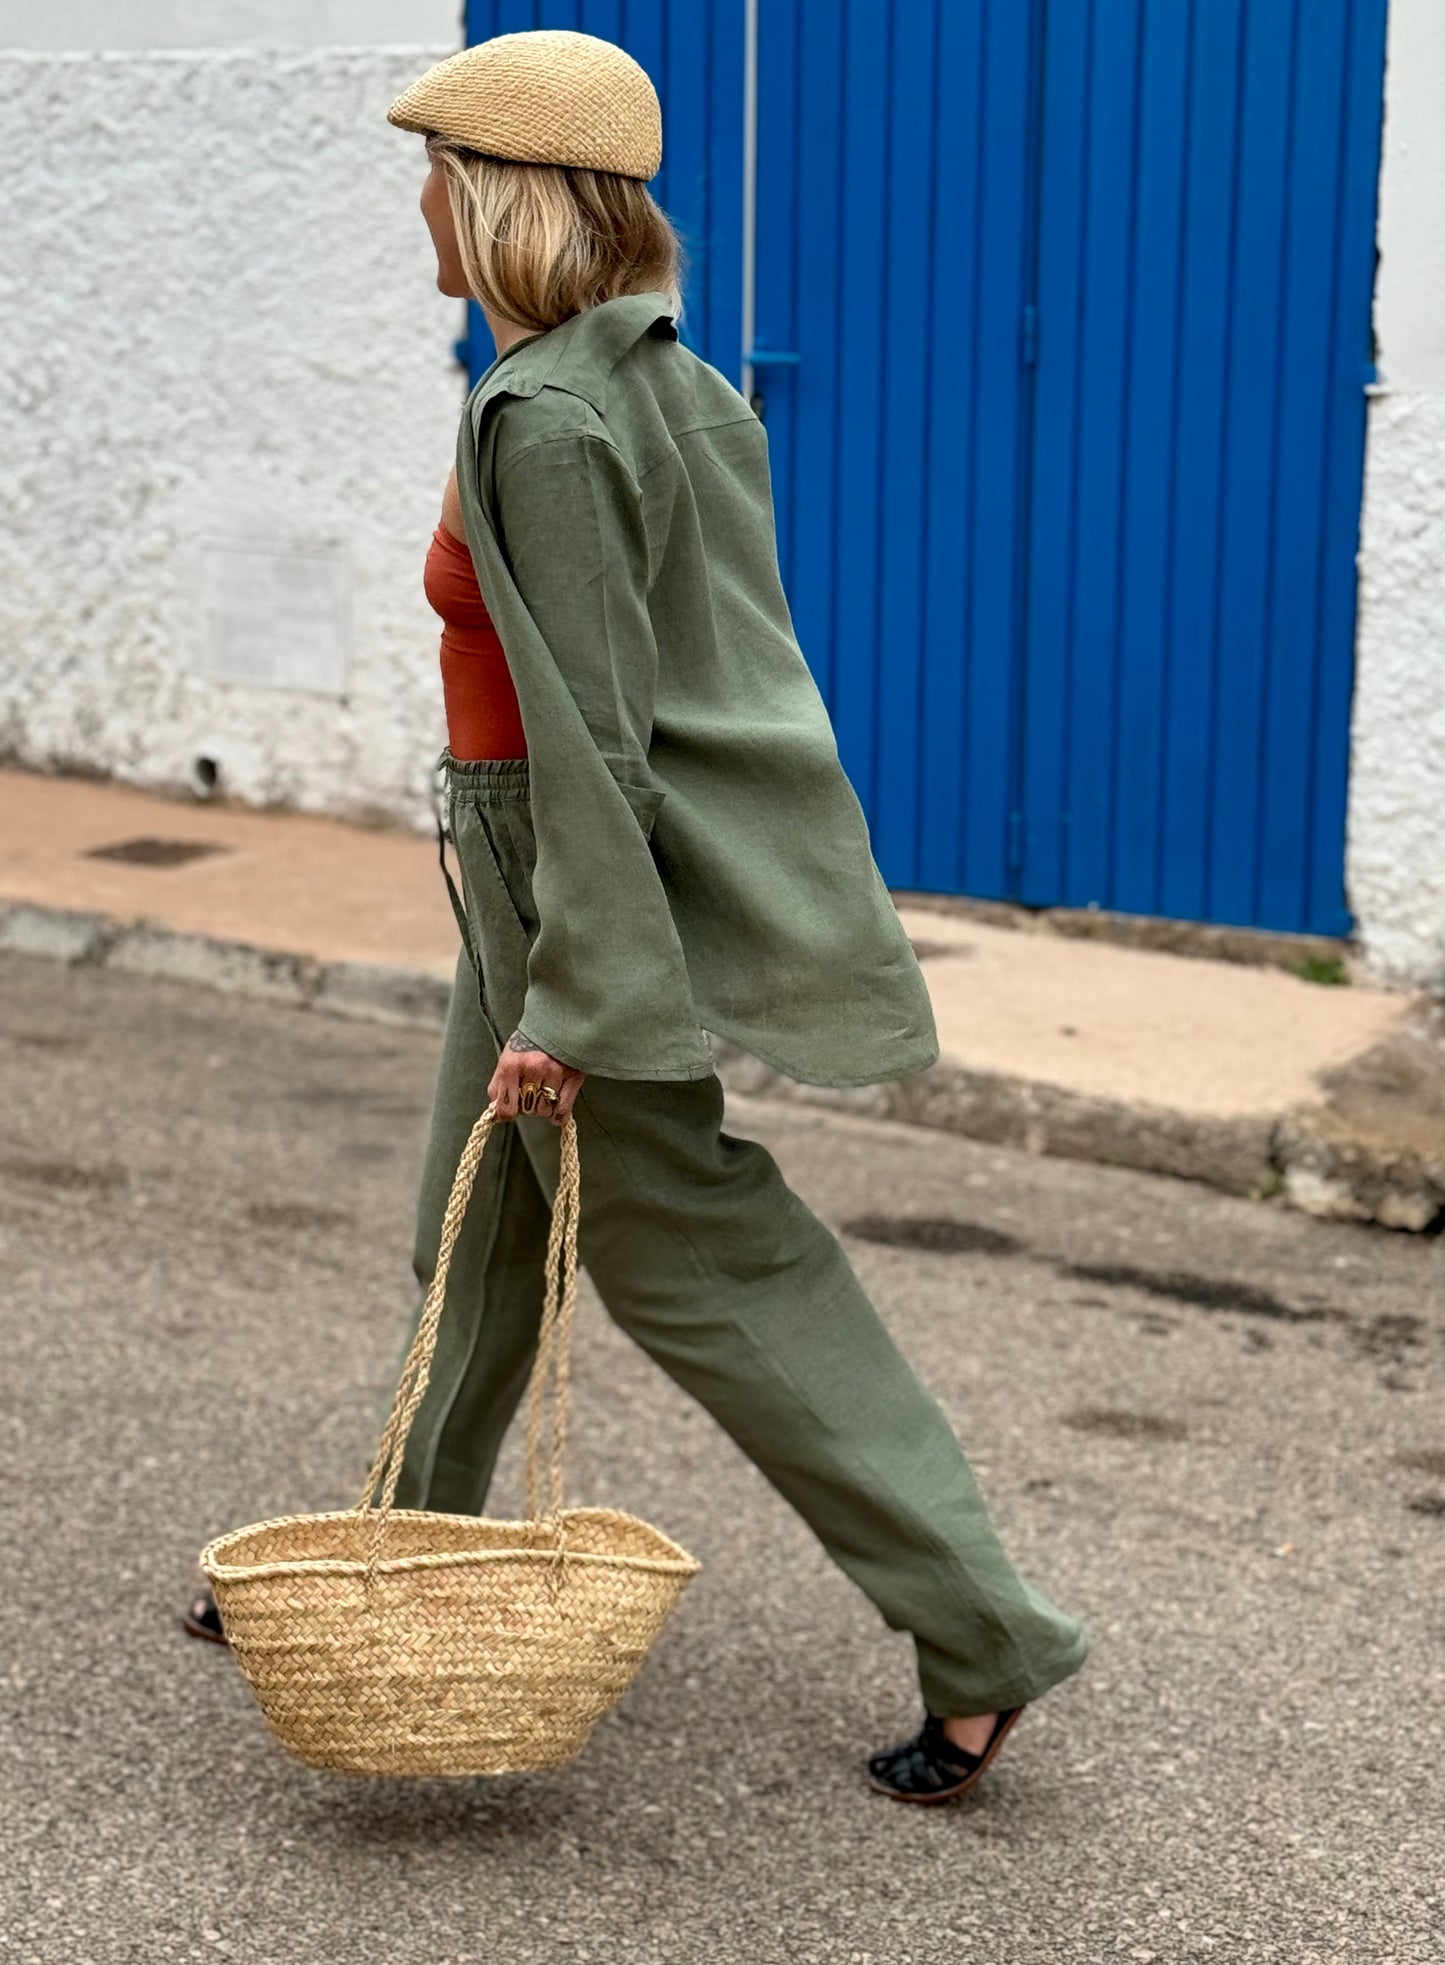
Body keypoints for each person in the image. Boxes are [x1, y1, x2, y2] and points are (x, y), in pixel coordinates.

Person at [186, 27, 1087, 1805]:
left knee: (713, 1267)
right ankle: (395, 1549)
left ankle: (983, 1626)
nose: (420, 212)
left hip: (570, 887)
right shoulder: (657, 374)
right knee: (483, 1244)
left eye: (437, 177)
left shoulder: (548, 416)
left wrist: (577, 993)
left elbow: (600, 734)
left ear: (502, 195)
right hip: (539, 878)